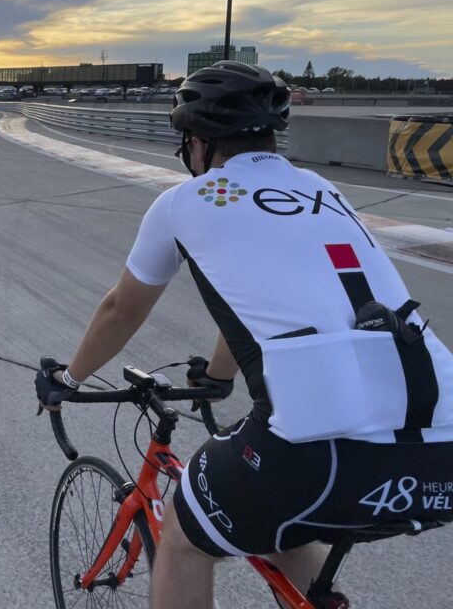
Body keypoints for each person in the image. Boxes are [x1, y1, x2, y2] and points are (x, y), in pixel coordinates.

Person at [35, 60, 453, 609]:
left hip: (321, 452)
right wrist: (215, 376)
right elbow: (266, 308)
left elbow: (120, 310)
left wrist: (67, 379)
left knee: (186, 536)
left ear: (198, 141)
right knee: (283, 528)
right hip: (440, 445)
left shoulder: (186, 202)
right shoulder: (321, 188)